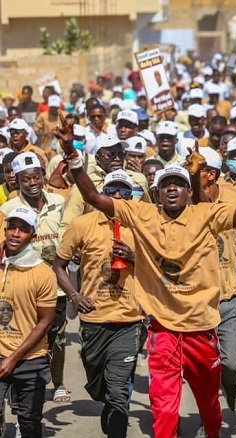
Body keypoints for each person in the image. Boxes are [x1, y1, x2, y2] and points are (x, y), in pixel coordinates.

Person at [54, 118, 236, 438]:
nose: (173, 188)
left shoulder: (208, 215)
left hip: (202, 329)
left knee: (209, 408)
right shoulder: (142, 214)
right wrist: (73, 157)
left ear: (188, 191)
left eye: (179, 183)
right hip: (163, 331)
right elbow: (93, 195)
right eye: (166, 184)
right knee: (164, 408)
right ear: (157, 192)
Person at [53, 170, 141, 437]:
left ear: (131, 196)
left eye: (124, 191)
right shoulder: (82, 224)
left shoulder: (141, 224)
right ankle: (109, 402)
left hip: (130, 319)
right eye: (111, 190)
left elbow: (161, 266)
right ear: (101, 194)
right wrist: (75, 296)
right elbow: (59, 264)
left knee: (118, 389)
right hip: (93, 318)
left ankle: (116, 412)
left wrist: (134, 257)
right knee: (98, 384)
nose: (117, 196)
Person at [0, 152, 69, 405]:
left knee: (56, 339)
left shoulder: (59, 202)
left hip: (57, 285)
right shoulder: (7, 210)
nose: (32, 183)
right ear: (16, 181)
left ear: (43, 176)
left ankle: (57, 382)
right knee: (23, 339)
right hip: (22, 288)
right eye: (26, 179)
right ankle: (22, 397)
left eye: (36, 177)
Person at [0, 206, 56, 437]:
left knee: (30, 421)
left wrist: (13, 358)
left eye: (23, 229)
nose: (15, 233)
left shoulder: (43, 273)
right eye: (11, 227)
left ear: (33, 235)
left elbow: (45, 322)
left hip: (30, 359)